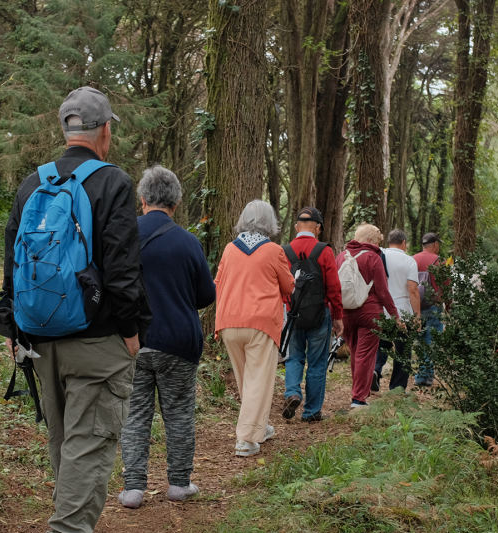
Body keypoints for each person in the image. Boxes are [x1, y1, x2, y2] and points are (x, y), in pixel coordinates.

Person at [3, 87, 149, 533]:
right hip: (97, 337)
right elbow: (123, 269)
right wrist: (130, 330)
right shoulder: (112, 183)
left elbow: (12, 261)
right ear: (104, 131)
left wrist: (15, 329)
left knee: (65, 438)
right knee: (91, 441)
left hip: (41, 337)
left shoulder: (32, 184)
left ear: (65, 130)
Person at [118, 166, 216, 509]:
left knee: (135, 415)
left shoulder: (122, 237)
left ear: (142, 199)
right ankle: (179, 484)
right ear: (175, 203)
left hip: (132, 341)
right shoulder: (188, 242)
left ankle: (133, 488)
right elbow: (206, 295)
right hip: (179, 341)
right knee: (178, 413)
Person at [215, 200, 294, 457]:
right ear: (269, 222)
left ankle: (261, 426)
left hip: (229, 321)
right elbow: (289, 286)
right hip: (260, 322)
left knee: (247, 380)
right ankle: (246, 439)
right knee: (258, 380)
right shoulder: (273, 250)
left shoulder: (229, 249)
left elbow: (217, 282)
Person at [281, 207, 344, 422]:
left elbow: (279, 284)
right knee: (316, 363)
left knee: (294, 357)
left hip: (292, 313)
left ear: (297, 226)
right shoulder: (324, 251)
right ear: (317, 228)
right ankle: (311, 412)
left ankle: (292, 393)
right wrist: (337, 316)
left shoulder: (284, 250)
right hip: (320, 313)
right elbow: (334, 287)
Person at [335, 224, 400, 408]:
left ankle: (357, 393)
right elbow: (382, 291)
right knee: (365, 355)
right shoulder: (374, 257)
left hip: (346, 313)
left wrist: (335, 314)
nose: (378, 245)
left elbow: (333, 287)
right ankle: (358, 398)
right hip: (370, 312)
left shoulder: (341, 256)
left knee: (356, 353)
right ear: (371, 240)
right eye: (378, 241)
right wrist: (395, 315)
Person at [373, 229, 420, 391]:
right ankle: (397, 387)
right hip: (402, 312)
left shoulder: (379, 255)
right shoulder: (409, 261)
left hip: (381, 310)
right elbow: (413, 289)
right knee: (403, 350)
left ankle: (375, 370)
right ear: (404, 243)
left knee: (381, 344)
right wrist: (417, 316)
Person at [413, 232, 445, 387]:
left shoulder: (412, 259)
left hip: (416, 306)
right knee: (431, 342)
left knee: (421, 342)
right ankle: (422, 377)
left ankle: (427, 377)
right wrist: (450, 306)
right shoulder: (438, 262)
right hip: (433, 306)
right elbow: (446, 286)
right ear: (436, 245)